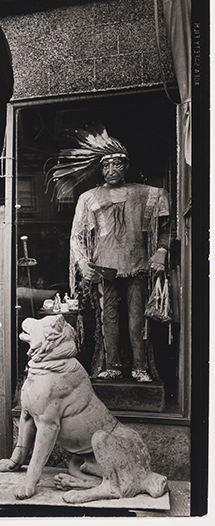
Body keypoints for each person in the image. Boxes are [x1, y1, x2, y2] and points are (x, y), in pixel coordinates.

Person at [51, 124, 170, 383]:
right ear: (100, 169)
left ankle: (140, 367)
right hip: (105, 267)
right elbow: (77, 235)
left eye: (117, 165)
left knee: (137, 319)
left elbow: (165, 226)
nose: (111, 170)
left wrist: (161, 252)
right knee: (109, 318)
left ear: (126, 166)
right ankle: (112, 365)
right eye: (106, 166)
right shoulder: (89, 198)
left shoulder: (148, 193)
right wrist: (83, 261)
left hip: (138, 264)